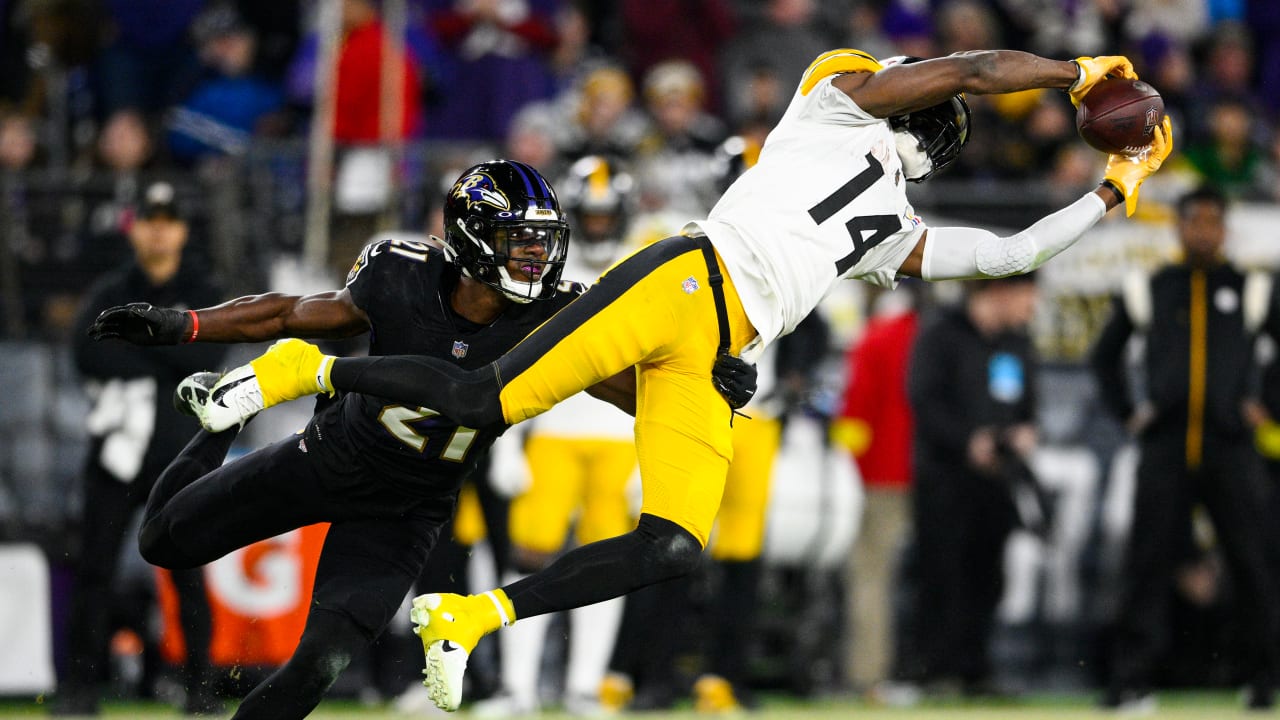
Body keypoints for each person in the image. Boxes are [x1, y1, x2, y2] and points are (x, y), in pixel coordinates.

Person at [184, 48, 1174, 712]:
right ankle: (304, 368)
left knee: (672, 544)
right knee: (485, 399)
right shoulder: (838, 112)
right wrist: (1108, 177)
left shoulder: (885, 219)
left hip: (710, 352)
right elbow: (1012, 238)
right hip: (679, 278)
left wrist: (1076, 91)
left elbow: (981, 147)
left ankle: (472, 614)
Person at [87, 160, 758, 719]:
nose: (536, 255)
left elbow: (636, 392)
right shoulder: (399, 272)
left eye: (542, 240)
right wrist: (184, 326)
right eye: (518, 239)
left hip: (410, 511)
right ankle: (221, 421)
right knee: (163, 544)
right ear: (470, 239)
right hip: (330, 457)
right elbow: (292, 311)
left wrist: (703, 376)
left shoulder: (559, 314)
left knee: (316, 667)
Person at [1090, 185, 1279, 712]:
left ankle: (1262, 678)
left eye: (1212, 221)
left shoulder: (1252, 289)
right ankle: (1132, 681)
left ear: (1225, 228)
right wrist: (1130, 413)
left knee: (1253, 563)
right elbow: (1104, 359)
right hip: (1166, 445)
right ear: (1177, 226)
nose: (1203, 230)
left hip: (1232, 446)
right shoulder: (1153, 287)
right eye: (1194, 220)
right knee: (1146, 563)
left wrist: (1267, 403)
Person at [56, 181, 226, 716]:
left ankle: (200, 688)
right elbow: (86, 355)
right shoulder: (112, 289)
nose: (157, 229)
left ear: (181, 230)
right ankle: (79, 690)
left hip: (178, 458)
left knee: (189, 573)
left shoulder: (201, 285)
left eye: (167, 219)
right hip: (117, 455)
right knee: (95, 569)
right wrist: (165, 350)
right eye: (149, 219)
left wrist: (137, 347)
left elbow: (212, 356)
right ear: (136, 229)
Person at [906, 274, 1040, 696]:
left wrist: (1021, 434)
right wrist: (968, 441)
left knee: (988, 576)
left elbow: (1027, 402)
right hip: (944, 478)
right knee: (941, 574)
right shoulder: (941, 335)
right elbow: (922, 399)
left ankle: (974, 669)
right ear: (1000, 292)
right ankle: (931, 671)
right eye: (1026, 297)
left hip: (997, 481)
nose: (1031, 308)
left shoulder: (1017, 343)